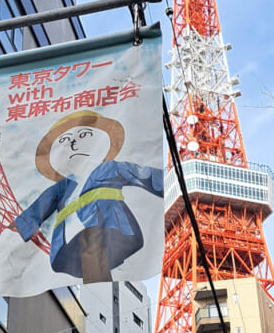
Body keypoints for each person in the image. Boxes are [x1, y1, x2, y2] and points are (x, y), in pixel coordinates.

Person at [12, 109, 163, 283]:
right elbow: (41, 205)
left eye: (84, 135)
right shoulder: (63, 186)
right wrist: (19, 229)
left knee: (91, 241)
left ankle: (100, 290)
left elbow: (143, 174)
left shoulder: (109, 168)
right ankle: (99, 290)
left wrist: (166, 182)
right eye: (65, 141)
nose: (74, 145)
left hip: (110, 229)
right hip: (68, 241)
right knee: (88, 246)